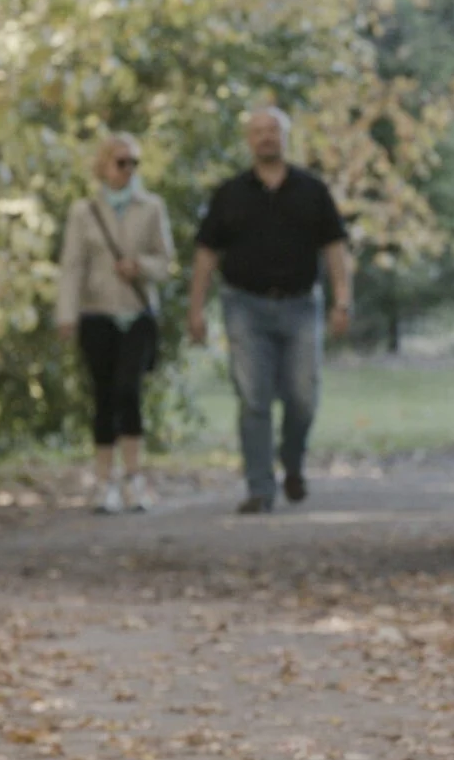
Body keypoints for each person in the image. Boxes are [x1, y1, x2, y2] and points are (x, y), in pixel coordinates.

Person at [184, 106, 351, 514]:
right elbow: (206, 253)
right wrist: (196, 309)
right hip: (245, 307)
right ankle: (260, 487)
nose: (266, 138)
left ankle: (292, 463)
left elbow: (334, 248)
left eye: (273, 130)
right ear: (248, 140)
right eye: (258, 131)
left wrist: (342, 300)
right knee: (254, 398)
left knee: (303, 396)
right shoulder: (230, 193)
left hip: (300, 305)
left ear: (285, 137)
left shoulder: (312, 191)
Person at [55, 133, 174, 514]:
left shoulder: (152, 207)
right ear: (104, 166)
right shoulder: (84, 211)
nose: (128, 169)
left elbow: (166, 261)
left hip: (137, 313)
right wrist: (66, 314)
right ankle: (104, 481)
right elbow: (72, 266)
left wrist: (141, 267)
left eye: (134, 163)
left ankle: (134, 477)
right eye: (121, 162)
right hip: (96, 314)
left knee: (129, 390)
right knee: (104, 396)